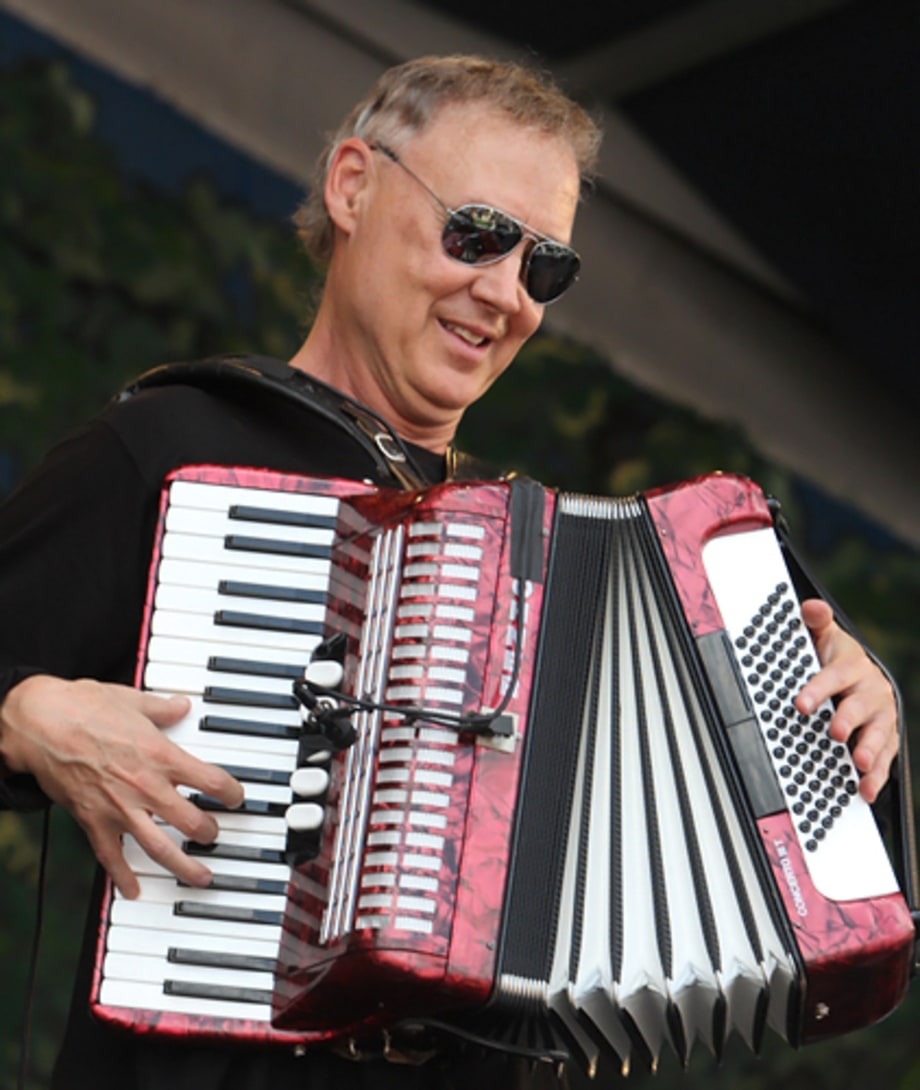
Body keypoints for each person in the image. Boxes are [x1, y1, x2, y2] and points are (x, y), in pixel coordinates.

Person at [0, 54, 900, 1090]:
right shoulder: (172, 451)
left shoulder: (558, 574)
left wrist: (839, 725)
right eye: (474, 233)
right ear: (352, 186)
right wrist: (27, 712)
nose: (504, 292)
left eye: (542, 267)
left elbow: (784, 880)